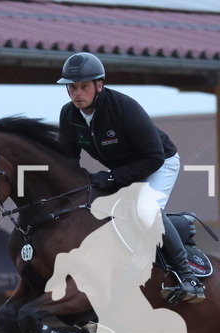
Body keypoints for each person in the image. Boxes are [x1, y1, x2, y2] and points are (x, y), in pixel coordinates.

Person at [55, 52, 205, 305]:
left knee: (144, 209)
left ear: (99, 85)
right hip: (126, 168)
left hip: (160, 162)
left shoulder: (124, 108)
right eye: (72, 87)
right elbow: (67, 158)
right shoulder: (69, 115)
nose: (77, 93)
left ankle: (188, 277)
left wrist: (112, 177)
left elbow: (153, 157)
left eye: (84, 87)